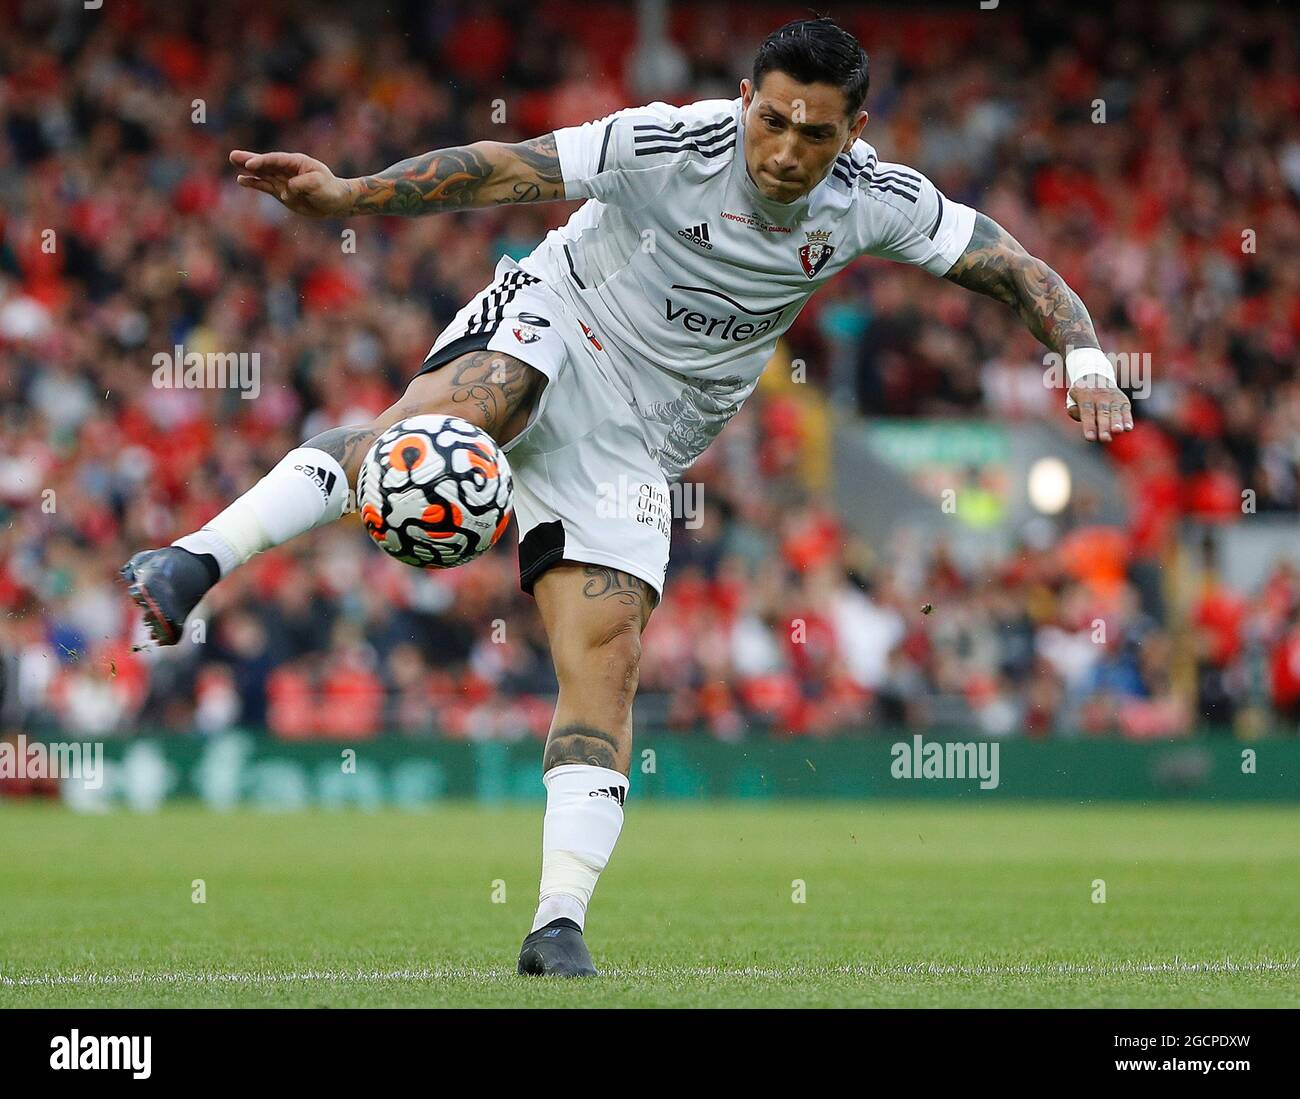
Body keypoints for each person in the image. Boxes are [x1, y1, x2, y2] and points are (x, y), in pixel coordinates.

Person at [121, 16, 1132, 977]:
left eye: (814, 133)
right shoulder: (668, 141)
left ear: (853, 131)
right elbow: (504, 171)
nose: (784, 149)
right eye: (769, 119)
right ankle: (196, 557)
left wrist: (1081, 354)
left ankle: (556, 918)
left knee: (605, 658)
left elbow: (1009, 264)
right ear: (744, 98)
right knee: (453, 423)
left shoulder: (875, 196)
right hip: (561, 311)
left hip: (643, 435)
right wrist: (350, 198)